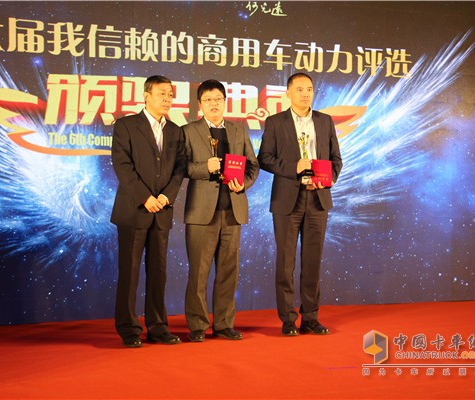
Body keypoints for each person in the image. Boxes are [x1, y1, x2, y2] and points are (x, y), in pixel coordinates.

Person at [258, 72, 343, 336]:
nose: (305, 94)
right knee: (285, 263)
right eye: (299, 89)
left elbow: (336, 160)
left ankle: (311, 318)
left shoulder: (325, 121)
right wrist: (294, 167)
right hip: (287, 200)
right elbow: (265, 159)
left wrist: (326, 181)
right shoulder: (275, 122)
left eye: (309, 89)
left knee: (312, 262)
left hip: (317, 199)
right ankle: (287, 319)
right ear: (288, 93)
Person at [111, 75, 187, 348]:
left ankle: (157, 326)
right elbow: (122, 165)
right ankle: (129, 329)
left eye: (170, 94)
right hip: (134, 210)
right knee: (129, 272)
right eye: (162, 94)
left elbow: (180, 169)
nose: (168, 99)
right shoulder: (126, 126)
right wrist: (145, 197)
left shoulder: (177, 131)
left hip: (162, 210)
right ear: (146, 95)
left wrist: (166, 196)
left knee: (158, 272)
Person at [183, 80, 259, 342]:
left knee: (228, 271)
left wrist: (243, 185)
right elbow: (183, 168)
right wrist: (206, 166)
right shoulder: (189, 131)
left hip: (232, 210)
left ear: (225, 101)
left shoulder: (238, 130)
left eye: (218, 99)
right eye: (208, 100)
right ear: (200, 105)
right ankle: (197, 325)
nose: (214, 104)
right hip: (202, 213)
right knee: (199, 273)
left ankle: (224, 323)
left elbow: (253, 165)